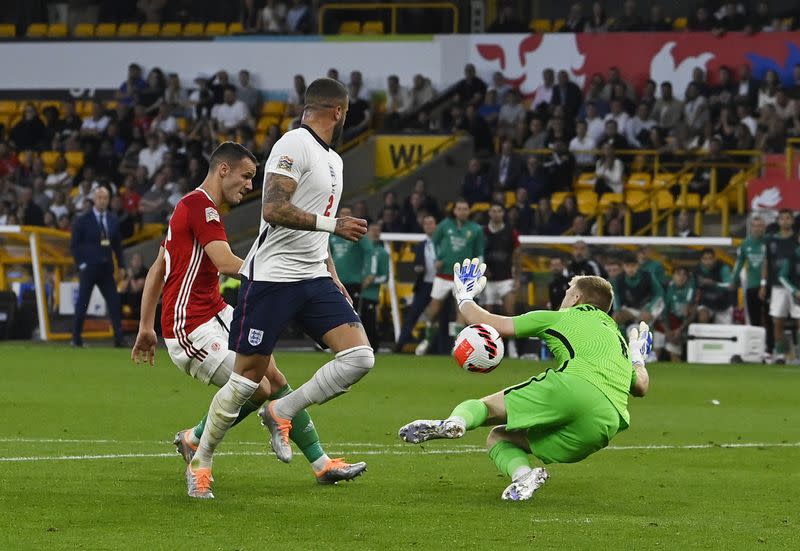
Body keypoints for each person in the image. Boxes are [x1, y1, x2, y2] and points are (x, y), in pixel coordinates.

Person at [130, 142, 359, 496]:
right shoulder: (200, 208)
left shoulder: (190, 206)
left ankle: (321, 463)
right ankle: (198, 452)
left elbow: (159, 267)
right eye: (246, 176)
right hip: (190, 326)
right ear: (223, 170)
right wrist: (277, 274)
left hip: (217, 311)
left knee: (275, 378)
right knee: (257, 388)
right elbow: (223, 261)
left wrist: (145, 327)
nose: (250, 185)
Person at [186, 79, 372, 498]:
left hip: (313, 275)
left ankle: (282, 410)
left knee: (360, 357)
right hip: (270, 278)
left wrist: (333, 274)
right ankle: (201, 460)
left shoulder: (334, 161)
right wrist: (334, 225)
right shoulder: (294, 144)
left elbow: (318, 228)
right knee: (246, 380)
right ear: (339, 112)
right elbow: (272, 208)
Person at [399, 263, 651, 501]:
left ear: (577, 299)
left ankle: (455, 422)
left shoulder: (561, 318)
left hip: (574, 388)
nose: (564, 297)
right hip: (604, 425)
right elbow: (641, 387)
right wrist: (638, 358)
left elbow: (490, 323)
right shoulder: (618, 340)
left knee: (486, 408)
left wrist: (464, 296)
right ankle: (524, 476)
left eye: (568, 292)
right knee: (501, 437)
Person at [415, 199, 485, 356]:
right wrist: (436, 259)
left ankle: (457, 346)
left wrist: (478, 272)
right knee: (433, 310)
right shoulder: (445, 225)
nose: (462, 211)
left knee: (461, 310)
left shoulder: (476, 229)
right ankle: (426, 340)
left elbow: (479, 253)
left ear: (469, 211)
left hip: (463, 276)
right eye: (459, 208)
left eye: (465, 208)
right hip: (443, 274)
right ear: (454, 211)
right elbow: (433, 242)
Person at [70, 187, 125, 348]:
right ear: (94, 199)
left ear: (108, 200)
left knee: (114, 302)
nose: (102, 201)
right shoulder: (83, 220)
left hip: (106, 268)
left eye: (105, 198)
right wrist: (82, 264)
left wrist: (121, 265)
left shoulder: (113, 219)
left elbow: (117, 246)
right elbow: (74, 245)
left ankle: (119, 339)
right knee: (83, 303)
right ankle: (76, 338)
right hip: (89, 268)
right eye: (100, 197)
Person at [482, 203, 521, 357]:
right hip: (488, 280)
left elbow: (517, 255)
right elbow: (477, 253)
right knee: (487, 315)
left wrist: (517, 277)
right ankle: (488, 346)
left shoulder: (511, 232)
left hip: (506, 278)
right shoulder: (482, 232)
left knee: (509, 312)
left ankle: (511, 345)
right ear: (489, 213)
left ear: (503, 213)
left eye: (499, 210)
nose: (496, 213)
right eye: (493, 210)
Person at [395, 215, 437, 352]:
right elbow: (416, 265)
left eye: (431, 223)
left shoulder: (443, 243)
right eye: (426, 224)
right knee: (412, 315)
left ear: (436, 225)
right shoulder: (421, 246)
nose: (429, 226)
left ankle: (441, 348)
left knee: (441, 316)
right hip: (424, 284)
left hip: (440, 284)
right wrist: (418, 268)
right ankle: (399, 346)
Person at [329, 205, 374, 311]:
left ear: (352, 216)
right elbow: (326, 255)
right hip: (335, 280)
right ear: (338, 216)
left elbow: (370, 252)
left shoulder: (357, 232)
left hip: (353, 280)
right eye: (342, 214)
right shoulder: (331, 234)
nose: (345, 216)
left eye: (348, 214)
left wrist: (369, 273)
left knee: (351, 312)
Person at [730, 216, 769, 336]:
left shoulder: (769, 242)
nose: (758, 229)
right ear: (751, 228)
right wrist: (733, 279)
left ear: (764, 228)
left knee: (770, 318)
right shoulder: (745, 244)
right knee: (754, 319)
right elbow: (739, 263)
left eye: (760, 226)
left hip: (769, 286)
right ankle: (756, 346)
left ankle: (770, 347)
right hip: (752, 285)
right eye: (755, 226)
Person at [766, 209, 797, 362]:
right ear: (778, 221)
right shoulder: (771, 240)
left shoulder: (797, 239)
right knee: (777, 322)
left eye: (788, 218)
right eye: (782, 218)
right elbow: (767, 263)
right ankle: (782, 355)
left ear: (792, 221)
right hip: (777, 286)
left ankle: (796, 355)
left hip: (797, 286)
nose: (785, 221)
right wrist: (763, 283)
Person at [612, 253, 664, 330]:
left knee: (644, 318)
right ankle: (624, 337)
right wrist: (617, 309)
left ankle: (647, 334)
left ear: (638, 266)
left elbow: (659, 293)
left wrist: (649, 309)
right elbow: (615, 295)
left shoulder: (647, 276)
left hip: (650, 304)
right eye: (627, 266)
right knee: (617, 317)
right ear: (623, 267)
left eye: (633, 266)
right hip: (633, 306)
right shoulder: (619, 279)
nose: (630, 269)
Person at [360, 223, 389, 351]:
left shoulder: (382, 253)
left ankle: (373, 347)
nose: (375, 233)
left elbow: (385, 277)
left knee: (369, 321)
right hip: (356, 290)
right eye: (373, 231)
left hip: (371, 293)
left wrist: (370, 281)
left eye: (378, 231)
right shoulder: (360, 249)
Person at [662, 267, 696, 362]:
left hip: (686, 326)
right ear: (673, 276)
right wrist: (668, 331)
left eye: (683, 275)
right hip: (670, 325)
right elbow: (663, 313)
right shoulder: (667, 289)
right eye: (678, 274)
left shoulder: (691, 290)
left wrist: (680, 330)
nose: (681, 277)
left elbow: (690, 314)